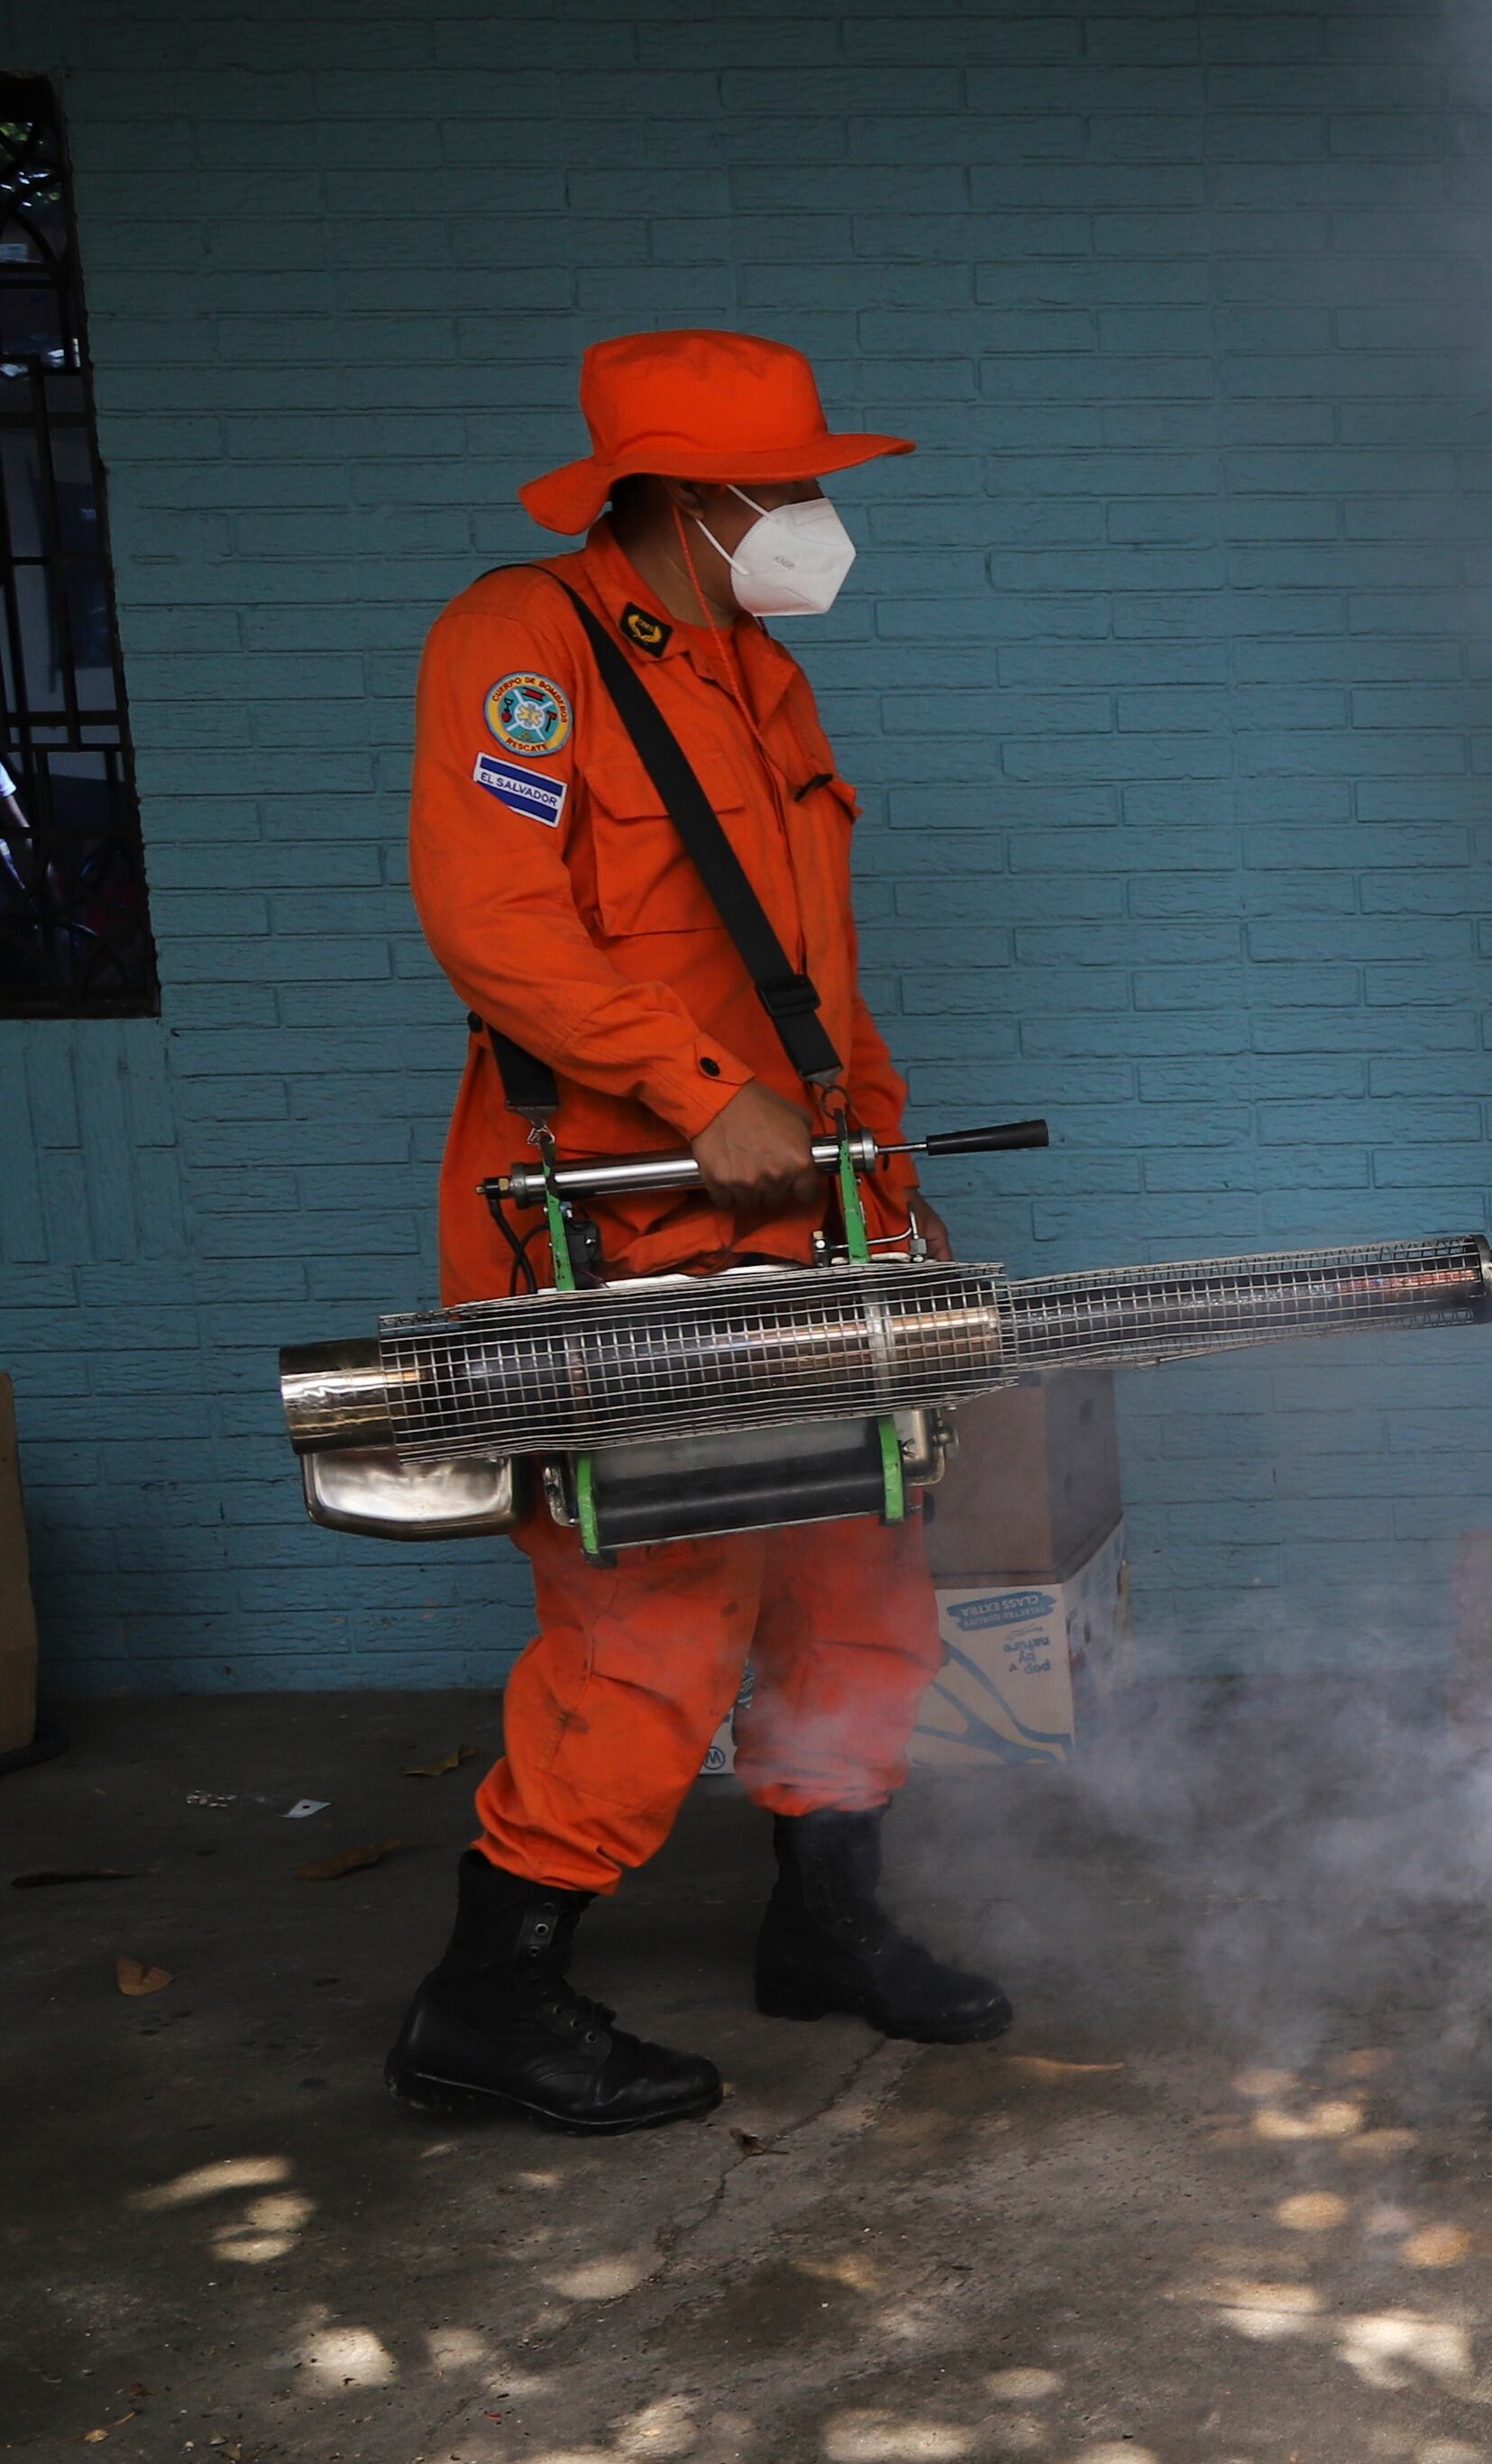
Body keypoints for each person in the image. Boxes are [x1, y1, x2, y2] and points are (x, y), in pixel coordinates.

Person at [385, 328, 1011, 2134]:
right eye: (794, 485)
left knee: (857, 1563)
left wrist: (880, 1179)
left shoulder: (757, 675)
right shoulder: (520, 650)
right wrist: (688, 1086)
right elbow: (492, 917)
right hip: (606, 1227)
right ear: (688, 495)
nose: (816, 513)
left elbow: (817, 977)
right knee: (653, 1611)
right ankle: (488, 1995)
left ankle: (830, 1922)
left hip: (804, 1216)